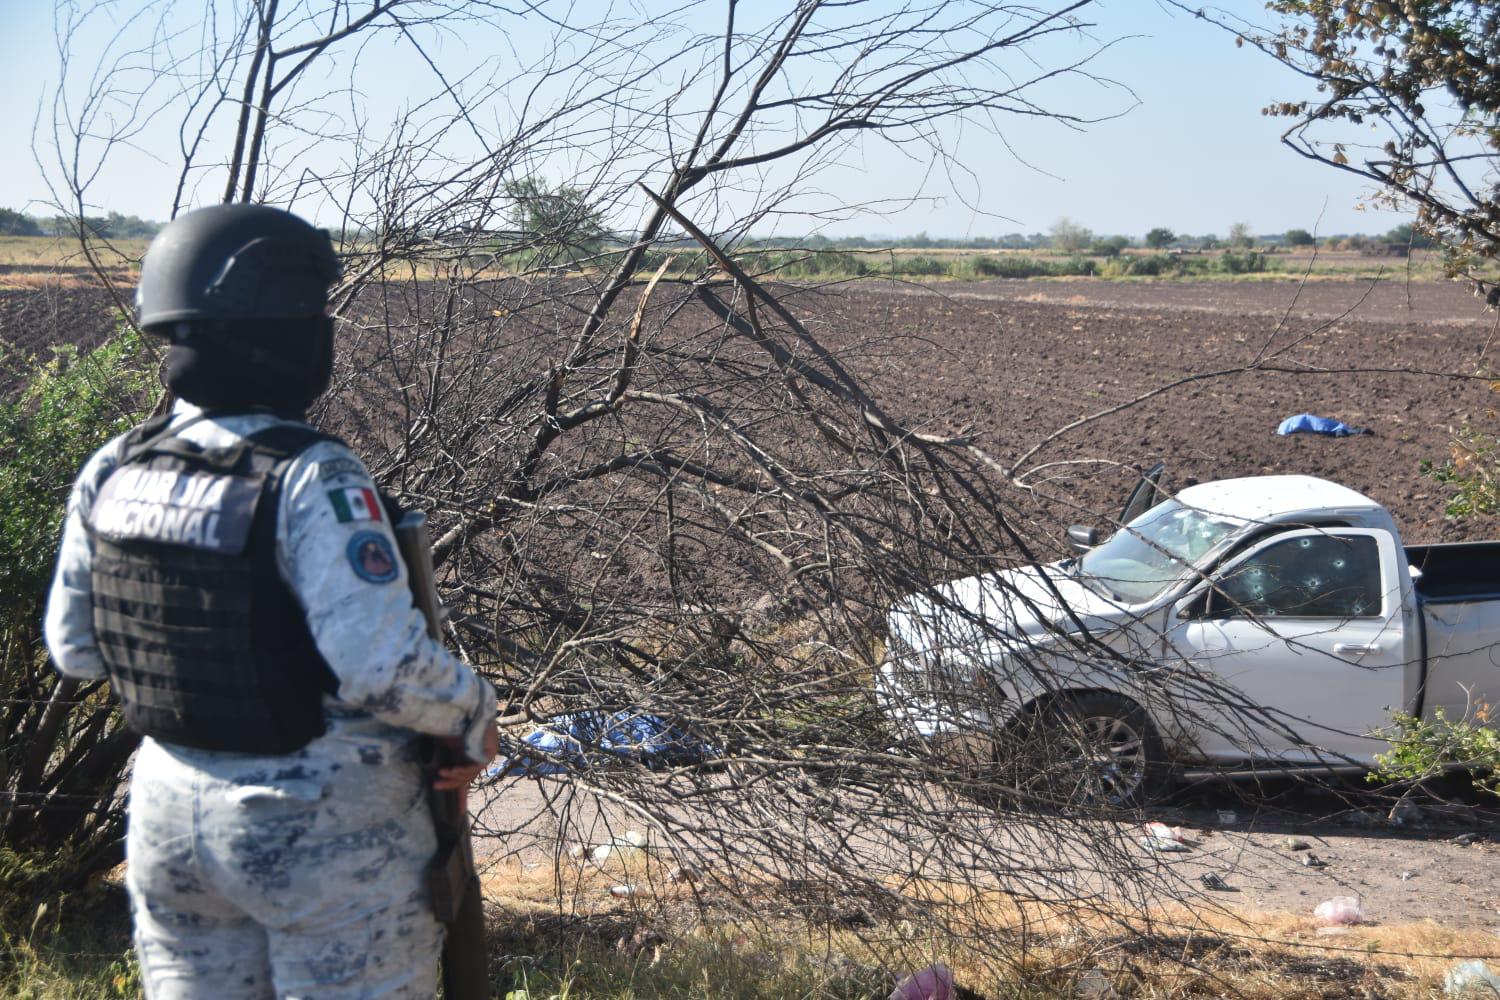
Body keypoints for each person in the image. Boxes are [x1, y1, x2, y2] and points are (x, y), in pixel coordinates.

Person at [43, 203, 498, 999]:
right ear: (286, 332)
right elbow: (380, 669)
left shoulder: (114, 466)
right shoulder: (310, 473)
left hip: (165, 819)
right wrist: (472, 712)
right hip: (321, 837)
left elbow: (74, 650)